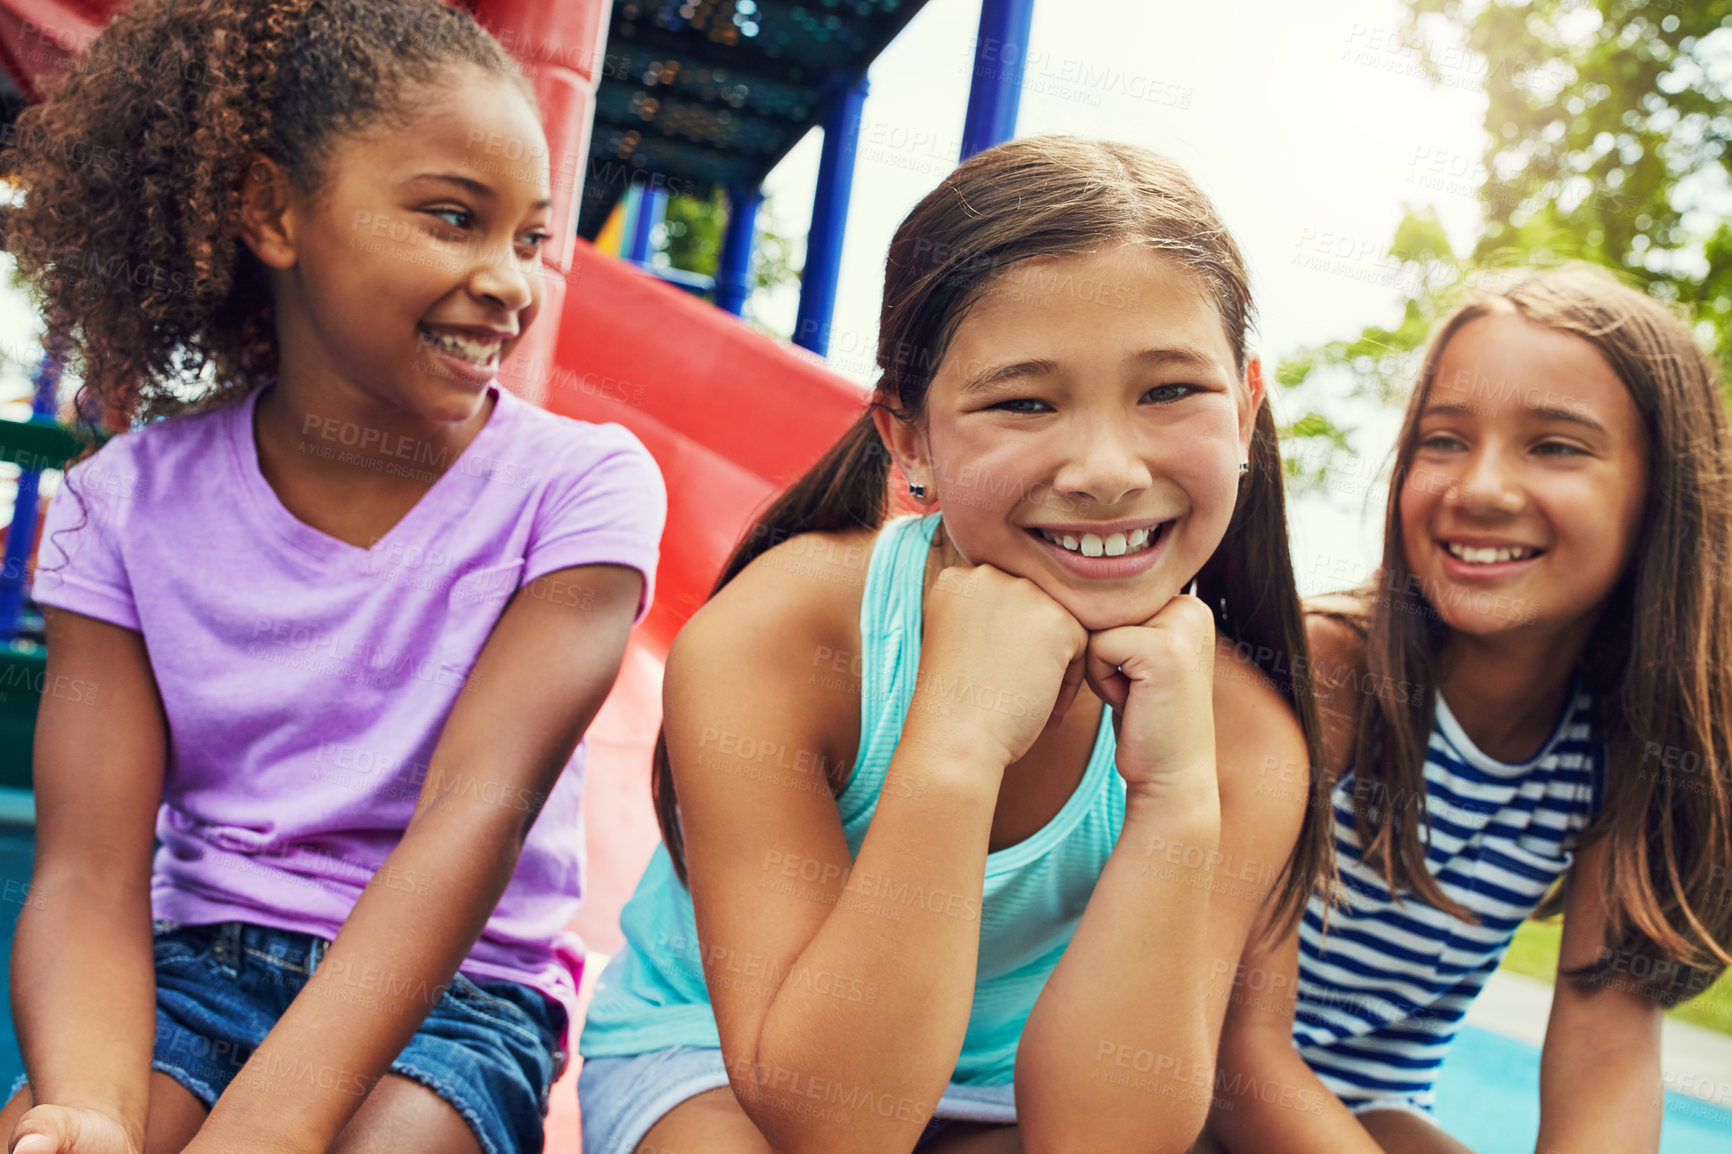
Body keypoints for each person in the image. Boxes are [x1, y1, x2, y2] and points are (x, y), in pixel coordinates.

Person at [574, 136, 1333, 1154]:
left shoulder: (1242, 738)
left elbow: (1106, 1137)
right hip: (720, 1062)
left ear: (1244, 407)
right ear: (909, 439)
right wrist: (957, 739)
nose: (1106, 469)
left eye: (1166, 392)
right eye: (1024, 401)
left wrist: (1173, 801)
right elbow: (826, 1119)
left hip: (1006, 1095)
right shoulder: (785, 639)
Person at [0, 2, 665, 1152]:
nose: (511, 281)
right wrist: (89, 1111)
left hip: (456, 994)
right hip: (195, 972)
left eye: (527, 238)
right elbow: (87, 873)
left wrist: (265, 1128)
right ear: (274, 212)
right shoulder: (122, 506)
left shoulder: (580, 491)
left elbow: (473, 819)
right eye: (454, 218)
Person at [1205, 265, 1732, 1153]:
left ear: (1661, 497)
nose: (1481, 488)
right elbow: (1232, 1057)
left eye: (1556, 446)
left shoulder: (1625, 749)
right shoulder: (1325, 676)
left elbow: (1607, 1053)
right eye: (1444, 440)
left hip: (1361, 1108)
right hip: (1178, 1084)